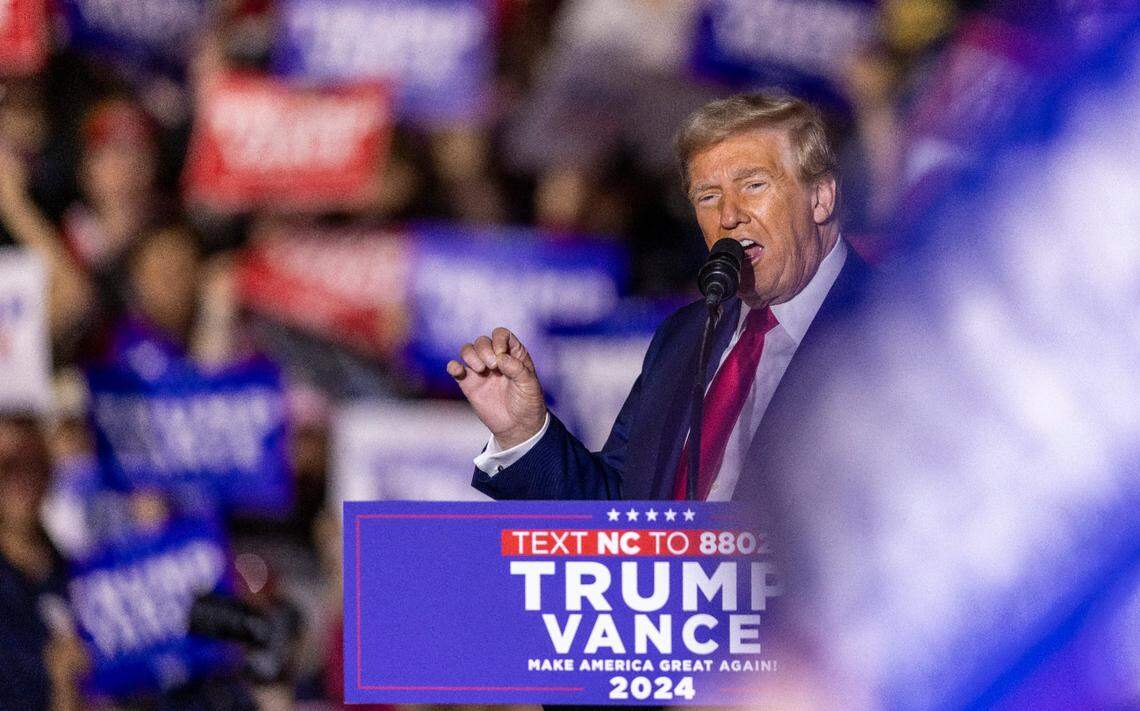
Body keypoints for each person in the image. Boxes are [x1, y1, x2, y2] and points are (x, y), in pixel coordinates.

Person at [448, 91, 870, 502]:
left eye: (754, 185)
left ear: (821, 197)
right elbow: (621, 515)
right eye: (708, 196)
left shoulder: (895, 329)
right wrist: (524, 434)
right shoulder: (685, 337)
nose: (728, 215)